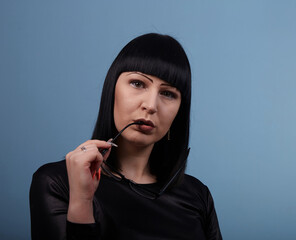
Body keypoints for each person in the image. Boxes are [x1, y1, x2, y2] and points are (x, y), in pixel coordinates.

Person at [30, 33, 222, 240]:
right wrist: (82, 201)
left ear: (179, 112)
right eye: (138, 84)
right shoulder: (57, 182)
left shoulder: (197, 195)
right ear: (112, 89)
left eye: (168, 94)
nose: (150, 105)